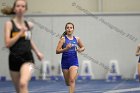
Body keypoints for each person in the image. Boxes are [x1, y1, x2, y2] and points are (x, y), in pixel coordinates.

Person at [1, 0, 44, 93]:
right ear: (14, 8)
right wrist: (20, 32)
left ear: (26, 9)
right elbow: (8, 43)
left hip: (28, 58)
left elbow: (29, 40)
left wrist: (37, 52)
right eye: (18, 6)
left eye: (23, 6)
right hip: (14, 59)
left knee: (23, 83)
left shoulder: (28, 25)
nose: (20, 8)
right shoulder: (9, 24)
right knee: (19, 90)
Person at [56, 22, 85, 93]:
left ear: (73, 29)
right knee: (68, 83)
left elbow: (83, 47)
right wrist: (66, 49)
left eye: (71, 27)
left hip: (74, 62)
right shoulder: (63, 39)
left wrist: (79, 49)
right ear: (65, 29)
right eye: (67, 28)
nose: (69, 29)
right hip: (65, 63)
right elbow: (57, 51)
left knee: (72, 80)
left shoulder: (77, 39)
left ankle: (74, 73)